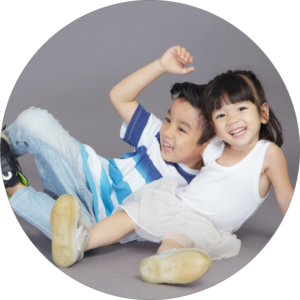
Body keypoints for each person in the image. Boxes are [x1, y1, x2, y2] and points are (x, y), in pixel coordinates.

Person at [49, 69, 293, 284]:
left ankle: (161, 263)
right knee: (130, 215)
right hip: (178, 203)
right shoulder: (213, 146)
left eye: (241, 109)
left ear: (263, 113)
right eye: (221, 115)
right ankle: (80, 241)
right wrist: (170, 127)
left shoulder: (268, 154)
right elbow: (182, 141)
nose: (232, 120)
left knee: (179, 237)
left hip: (207, 226)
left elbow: (285, 198)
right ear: (214, 128)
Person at [1, 46, 215, 280]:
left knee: (70, 235)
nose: (168, 132)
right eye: (168, 120)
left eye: (182, 129)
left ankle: (13, 185)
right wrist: (161, 66)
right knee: (35, 120)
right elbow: (119, 96)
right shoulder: (155, 134)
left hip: (94, 223)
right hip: (81, 172)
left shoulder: (199, 186)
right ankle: (4, 148)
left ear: (207, 144)